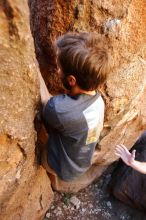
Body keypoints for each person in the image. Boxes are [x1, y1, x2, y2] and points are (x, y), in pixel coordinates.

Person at [38, 32, 110, 191]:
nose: (57, 71)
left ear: (71, 80)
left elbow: (46, 103)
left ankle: (53, 181)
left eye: (59, 68)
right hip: (82, 162)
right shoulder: (99, 100)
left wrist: (33, 66)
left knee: (41, 149)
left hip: (61, 167)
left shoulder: (58, 109)